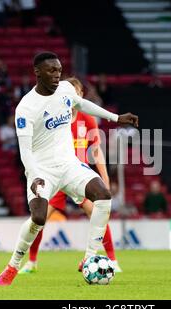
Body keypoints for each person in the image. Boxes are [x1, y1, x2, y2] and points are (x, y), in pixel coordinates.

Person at [0, 52, 138, 286]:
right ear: (37, 72)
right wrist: (34, 176)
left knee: (103, 195)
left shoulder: (65, 90)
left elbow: (83, 104)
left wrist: (116, 118)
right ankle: (12, 266)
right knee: (38, 218)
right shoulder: (26, 107)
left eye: (59, 70)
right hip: (42, 171)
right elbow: (25, 151)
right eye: (51, 70)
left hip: (70, 165)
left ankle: (90, 257)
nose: (56, 75)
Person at [19, 77, 121, 274]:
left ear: (81, 96)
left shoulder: (88, 119)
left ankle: (113, 260)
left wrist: (104, 177)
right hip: (54, 175)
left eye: (77, 93)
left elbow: (96, 150)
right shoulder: (53, 118)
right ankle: (31, 262)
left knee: (96, 212)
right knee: (38, 219)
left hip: (76, 176)